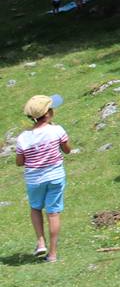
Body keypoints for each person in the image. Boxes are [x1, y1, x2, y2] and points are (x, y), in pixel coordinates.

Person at [16, 94, 70, 263]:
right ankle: (53, 254)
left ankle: (40, 242)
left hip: (34, 180)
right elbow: (67, 150)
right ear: (48, 114)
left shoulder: (23, 137)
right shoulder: (57, 130)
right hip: (55, 177)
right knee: (53, 213)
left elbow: (20, 162)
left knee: (35, 208)